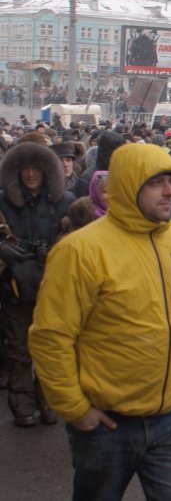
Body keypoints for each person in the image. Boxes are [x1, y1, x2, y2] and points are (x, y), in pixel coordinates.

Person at [28, 143, 171, 499]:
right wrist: (75, 408)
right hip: (106, 424)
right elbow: (51, 336)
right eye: (155, 182)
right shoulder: (80, 251)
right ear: (128, 186)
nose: (169, 191)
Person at [0, 141, 76, 427]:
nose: (30, 174)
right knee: (18, 349)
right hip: (15, 286)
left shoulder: (66, 200)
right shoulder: (2, 200)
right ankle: (23, 406)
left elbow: (82, 238)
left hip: (52, 285)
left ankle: (49, 402)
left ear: (46, 171)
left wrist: (59, 246)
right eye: (24, 168)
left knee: (51, 347)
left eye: (36, 168)